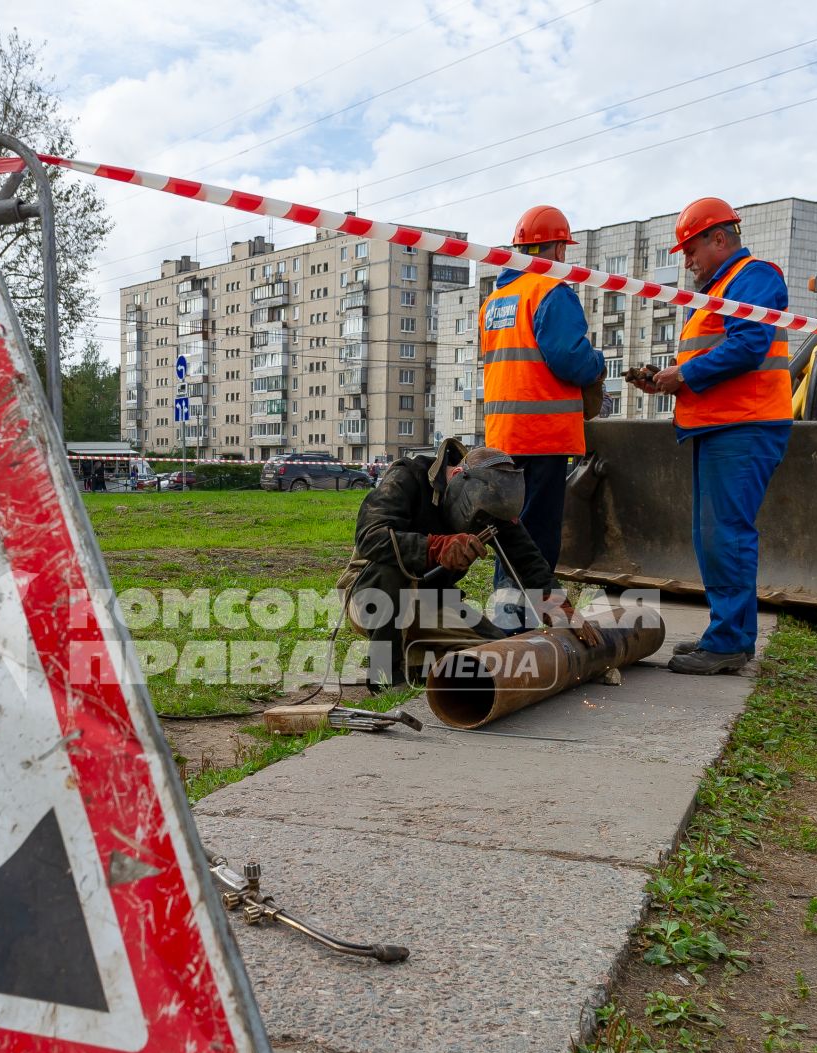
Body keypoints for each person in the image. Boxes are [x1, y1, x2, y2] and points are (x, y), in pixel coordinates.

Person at [636, 197, 791, 676]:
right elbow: (719, 352)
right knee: (713, 536)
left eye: (691, 249)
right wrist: (670, 378)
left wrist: (682, 377)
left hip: (745, 425)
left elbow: (748, 347)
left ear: (719, 238)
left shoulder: (755, 277)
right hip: (720, 426)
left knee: (727, 535)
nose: (687, 261)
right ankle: (727, 637)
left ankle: (728, 642)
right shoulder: (720, 288)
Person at [337, 440, 600, 687]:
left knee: (497, 652)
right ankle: (384, 673)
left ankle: (418, 659)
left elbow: (527, 560)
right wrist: (436, 547)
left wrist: (560, 609)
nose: (482, 522)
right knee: (391, 568)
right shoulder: (407, 477)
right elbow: (371, 537)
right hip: (369, 596)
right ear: (457, 475)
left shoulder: (492, 500)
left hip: (432, 602)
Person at [479, 205, 605, 629]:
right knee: (536, 536)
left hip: (502, 437)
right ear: (552, 246)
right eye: (563, 248)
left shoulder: (496, 300)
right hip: (543, 436)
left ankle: (505, 619)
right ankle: (525, 625)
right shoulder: (550, 289)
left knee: (510, 531)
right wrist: (597, 363)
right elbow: (570, 359)